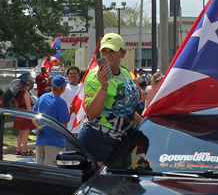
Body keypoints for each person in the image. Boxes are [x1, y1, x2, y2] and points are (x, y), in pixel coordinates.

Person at [78, 32, 140, 166]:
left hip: (123, 140)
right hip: (100, 137)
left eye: (112, 50)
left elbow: (126, 107)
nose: (108, 54)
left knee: (123, 183)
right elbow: (92, 114)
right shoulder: (95, 76)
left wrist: (145, 124)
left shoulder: (125, 73)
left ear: (122, 53)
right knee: (107, 184)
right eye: (104, 50)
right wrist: (104, 86)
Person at [33, 75, 70, 166]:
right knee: (51, 173)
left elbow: (33, 115)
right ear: (62, 87)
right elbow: (64, 121)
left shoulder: (42, 97)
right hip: (55, 142)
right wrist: (71, 111)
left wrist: (38, 129)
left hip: (40, 141)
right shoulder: (60, 102)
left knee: (39, 172)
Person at [12, 72, 36, 156]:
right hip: (26, 114)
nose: (29, 85)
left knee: (21, 134)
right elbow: (28, 106)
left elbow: (17, 104)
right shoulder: (25, 93)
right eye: (27, 84)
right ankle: (24, 150)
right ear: (23, 85)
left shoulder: (17, 94)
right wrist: (32, 115)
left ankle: (17, 150)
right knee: (26, 133)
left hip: (19, 114)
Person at [61, 65, 81, 135]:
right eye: (71, 74)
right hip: (69, 129)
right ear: (67, 76)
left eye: (75, 74)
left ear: (79, 76)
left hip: (81, 128)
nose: (73, 76)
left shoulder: (83, 89)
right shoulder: (64, 89)